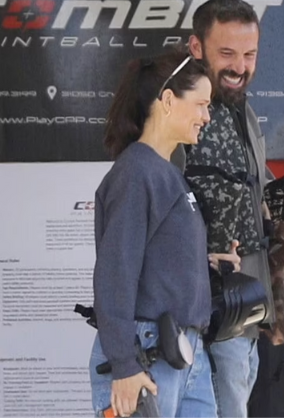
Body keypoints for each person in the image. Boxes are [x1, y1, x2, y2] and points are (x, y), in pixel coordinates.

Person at [178, 1, 284, 416]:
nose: (240, 67)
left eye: (249, 54)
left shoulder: (244, 112)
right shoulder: (179, 116)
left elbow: (263, 223)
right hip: (203, 318)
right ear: (196, 47)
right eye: (226, 53)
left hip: (247, 314)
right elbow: (159, 212)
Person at [89, 50, 217, 417]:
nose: (206, 116)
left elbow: (159, 258)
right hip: (144, 354)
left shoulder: (167, 173)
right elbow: (115, 272)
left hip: (184, 354)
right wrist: (124, 364)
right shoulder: (136, 173)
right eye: (201, 104)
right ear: (168, 100)